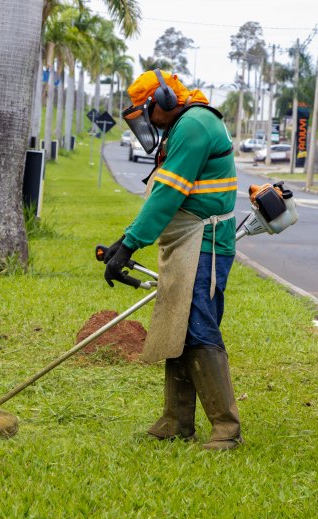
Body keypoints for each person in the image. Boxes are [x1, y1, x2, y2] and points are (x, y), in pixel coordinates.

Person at [103, 69, 242, 450]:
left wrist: (130, 245)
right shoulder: (186, 122)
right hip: (188, 240)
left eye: (146, 112)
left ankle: (226, 428)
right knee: (180, 326)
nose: (147, 122)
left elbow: (167, 192)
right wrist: (123, 240)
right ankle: (177, 420)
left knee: (198, 326)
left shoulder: (194, 125)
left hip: (205, 243)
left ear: (163, 101)